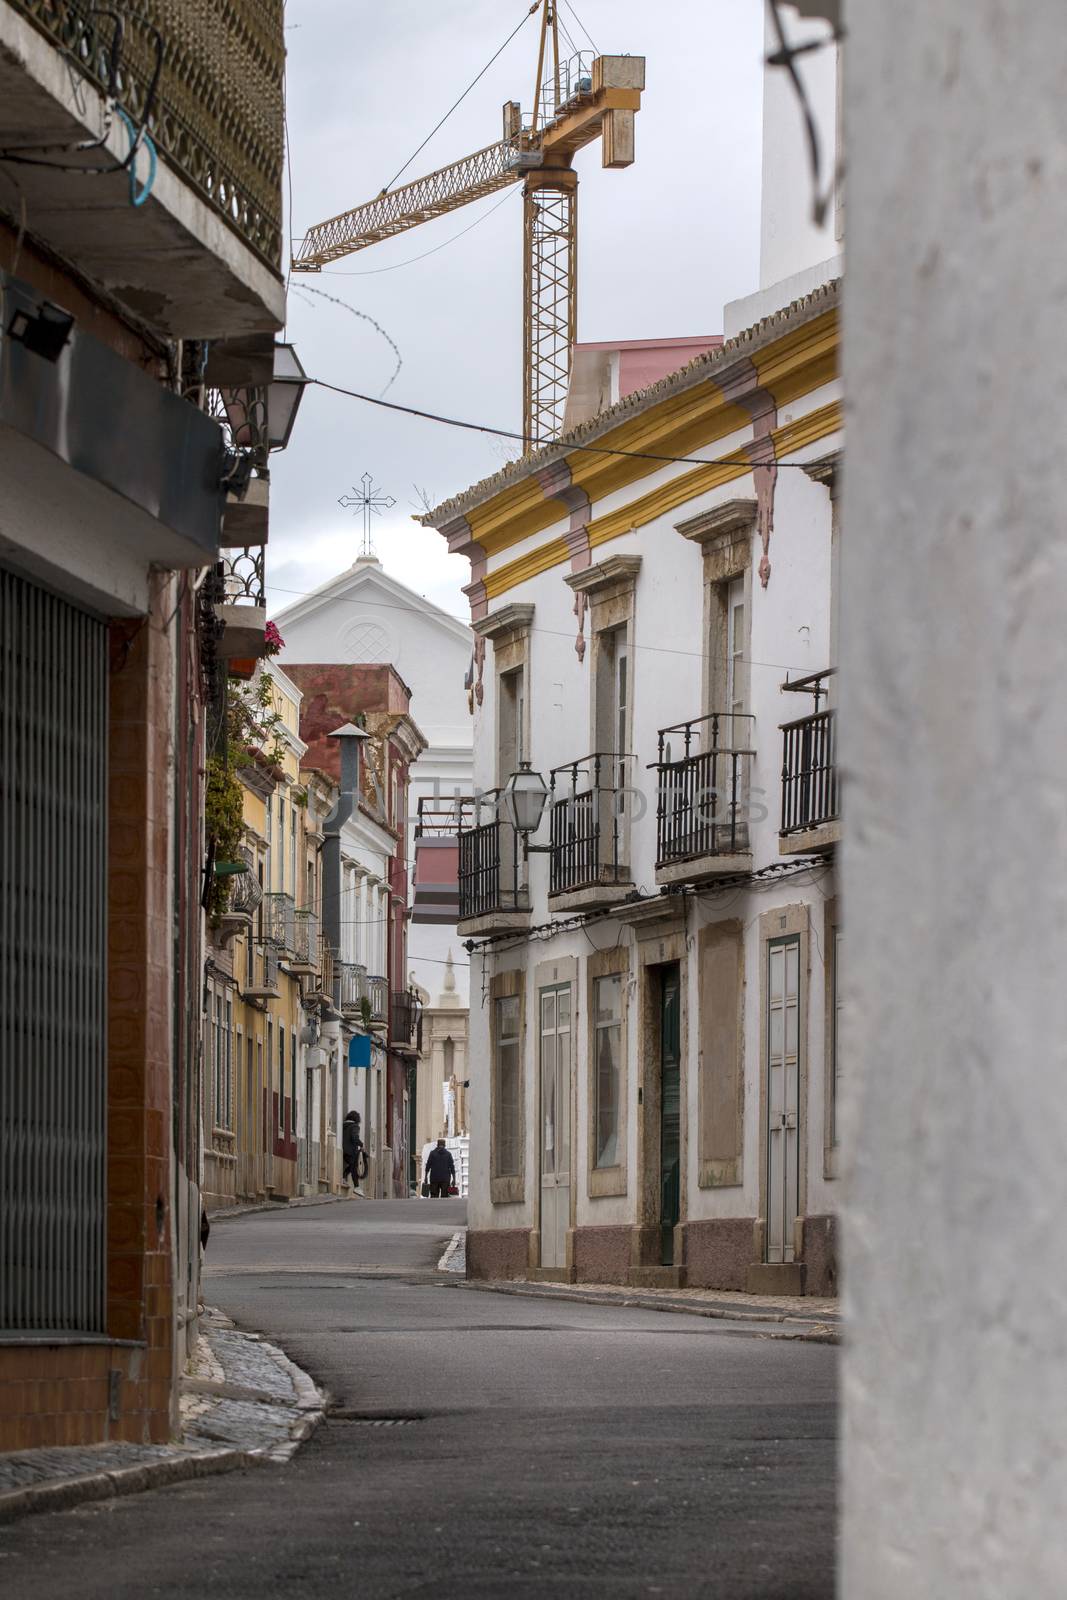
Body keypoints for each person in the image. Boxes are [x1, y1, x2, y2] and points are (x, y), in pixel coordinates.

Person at [341, 1109, 365, 1192]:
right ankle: (357, 1187)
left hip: (343, 1151)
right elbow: (354, 1138)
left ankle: (343, 1177)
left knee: (352, 1166)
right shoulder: (355, 1126)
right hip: (351, 1152)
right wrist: (361, 1144)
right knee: (354, 1168)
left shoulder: (343, 1126)